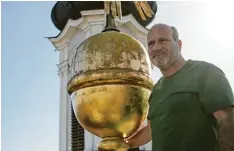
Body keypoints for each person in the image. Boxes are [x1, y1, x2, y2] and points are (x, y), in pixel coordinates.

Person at [125, 23, 234, 151]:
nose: (156, 47)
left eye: (163, 40)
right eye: (151, 43)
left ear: (179, 44)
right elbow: (151, 130)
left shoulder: (205, 72)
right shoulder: (156, 91)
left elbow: (227, 120)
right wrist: (121, 143)